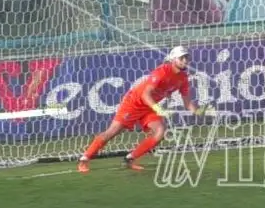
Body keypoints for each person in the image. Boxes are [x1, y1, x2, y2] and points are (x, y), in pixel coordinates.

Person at [77, 46, 205, 173]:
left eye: (187, 57)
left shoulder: (183, 78)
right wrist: (158, 108)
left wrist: (198, 111)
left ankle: (129, 159)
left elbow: (188, 103)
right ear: (173, 59)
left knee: (160, 131)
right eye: (182, 58)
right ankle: (84, 158)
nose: (185, 60)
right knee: (112, 132)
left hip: (149, 107)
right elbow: (145, 94)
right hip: (133, 103)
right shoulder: (162, 71)